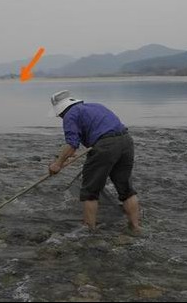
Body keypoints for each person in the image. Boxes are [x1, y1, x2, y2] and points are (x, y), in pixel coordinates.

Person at [48, 90, 140, 233]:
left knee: (90, 191)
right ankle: (135, 227)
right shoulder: (96, 106)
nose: (60, 117)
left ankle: (89, 231)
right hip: (126, 142)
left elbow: (72, 145)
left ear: (60, 110)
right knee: (126, 189)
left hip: (105, 146)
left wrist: (57, 164)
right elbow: (103, 129)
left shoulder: (70, 115)